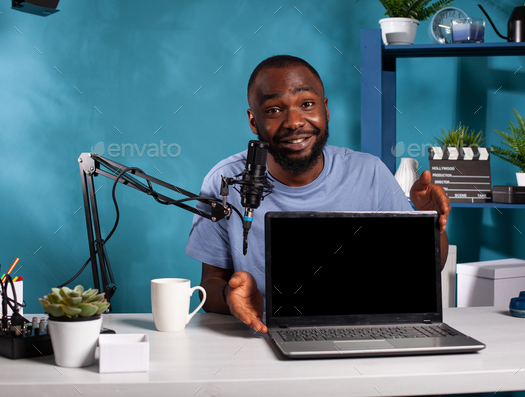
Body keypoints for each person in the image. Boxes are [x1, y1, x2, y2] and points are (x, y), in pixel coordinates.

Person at [185, 55, 450, 335]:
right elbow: (210, 284)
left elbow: (428, 268)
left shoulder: (369, 172)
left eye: (307, 104)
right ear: (254, 121)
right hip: (265, 335)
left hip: (366, 332)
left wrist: (431, 224)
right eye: (274, 110)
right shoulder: (224, 181)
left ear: (325, 110)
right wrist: (231, 295)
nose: (294, 122)